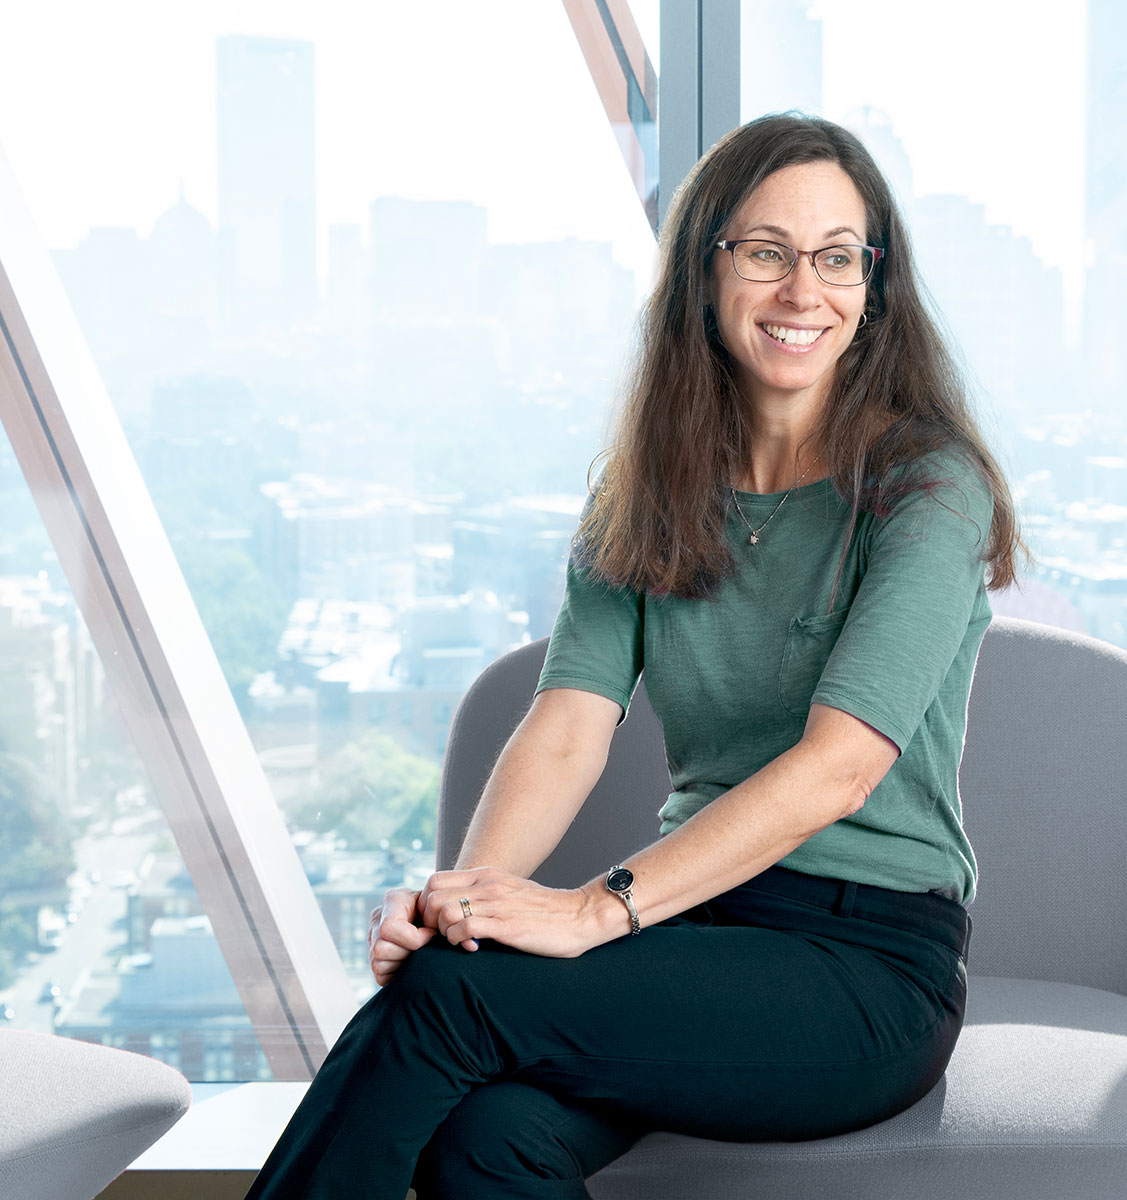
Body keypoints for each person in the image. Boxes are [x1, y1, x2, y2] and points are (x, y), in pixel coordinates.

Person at [246, 111, 1030, 1200]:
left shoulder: (926, 489)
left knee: (446, 1001)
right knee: (491, 1138)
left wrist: (589, 911)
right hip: (699, 929)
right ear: (703, 273)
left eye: (836, 257)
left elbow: (839, 768)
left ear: (872, 287)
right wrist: (467, 903)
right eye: (765, 252)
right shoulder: (652, 491)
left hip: (863, 968)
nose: (804, 291)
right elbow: (567, 724)